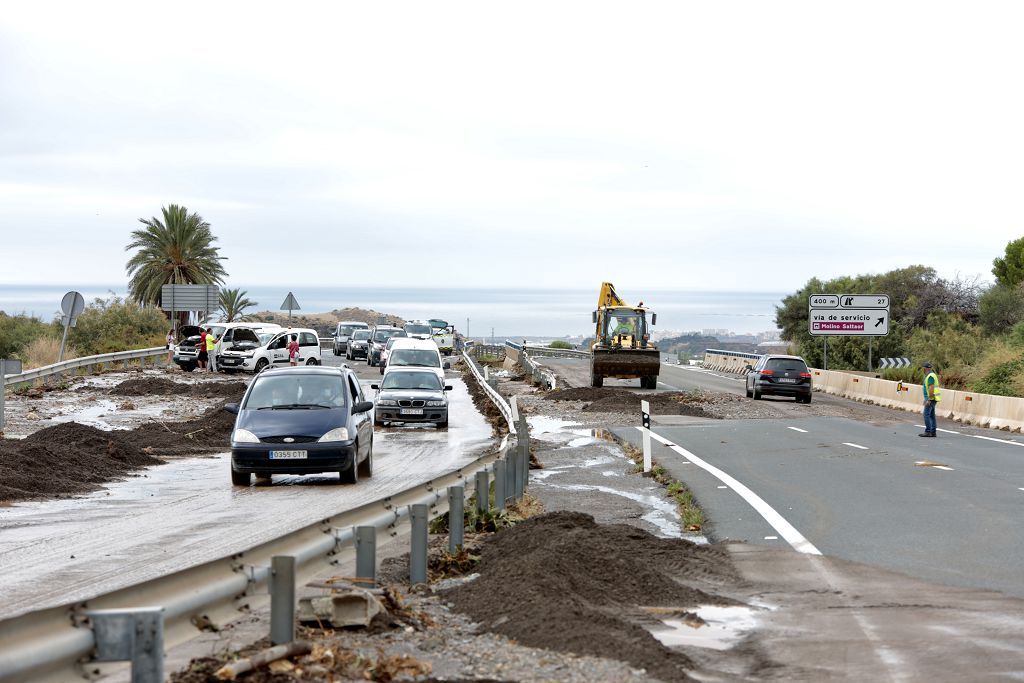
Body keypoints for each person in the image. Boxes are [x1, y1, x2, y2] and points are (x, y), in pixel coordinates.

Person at [919, 361, 941, 437]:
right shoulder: (931, 375)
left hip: (931, 398)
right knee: (931, 415)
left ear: (925, 369)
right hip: (932, 398)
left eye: (923, 368)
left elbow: (931, 388)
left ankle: (928, 431)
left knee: (926, 414)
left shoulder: (930, 376)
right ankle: (933, 432)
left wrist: (929, 399)